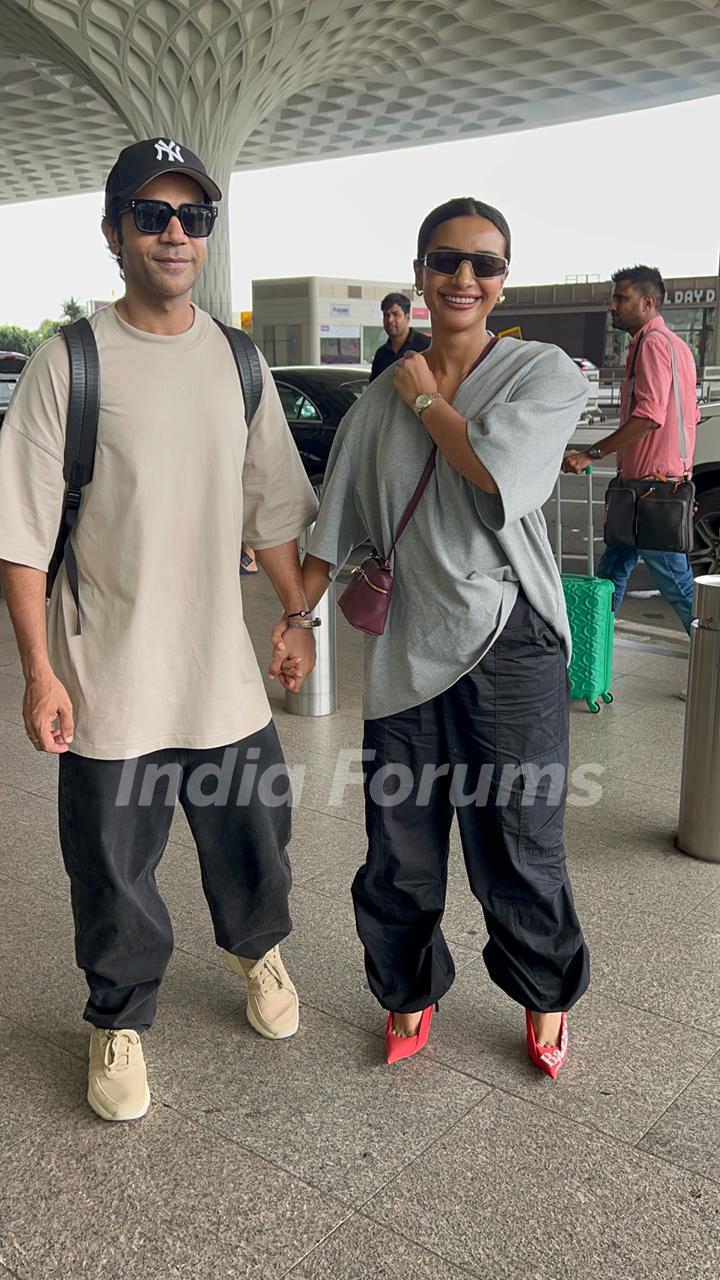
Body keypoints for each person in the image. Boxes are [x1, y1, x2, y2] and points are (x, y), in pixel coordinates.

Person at [0, 137, 319, 1122]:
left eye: (193, 217)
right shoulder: (71, 363)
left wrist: (299, 614)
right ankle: (120, 1012)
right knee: (112, 866)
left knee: (256, 837)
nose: (175, 234)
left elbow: (271, 506)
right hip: (111, 681)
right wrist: (39, 671)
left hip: (219, 671)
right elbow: (20, 530)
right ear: (114, 233)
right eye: (152, 215)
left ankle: (256, 951)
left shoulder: (237, 357)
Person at [272, 197, 590, 1077]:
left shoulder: (542, 372)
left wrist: (425, 399)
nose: (463, 278)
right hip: (410, 650)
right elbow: (331, 533)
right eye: (445, 261)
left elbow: (496, 477)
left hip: (512, 642)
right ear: (418, 274)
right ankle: (408, 989)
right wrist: (295, 619)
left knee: (519, 843)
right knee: (399, 846)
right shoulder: (375, 402)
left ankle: (545, 993)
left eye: (483, 264)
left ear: (502, 282)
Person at [563, 265, 699, 635]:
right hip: (643, 490)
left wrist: (591, 453)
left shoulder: (653, 344)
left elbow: (649, 416)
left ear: (649, 302)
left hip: (654, 492)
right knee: (611, 574)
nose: (612, 306)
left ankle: (713, 667)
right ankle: (591, 659)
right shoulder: (675, 346)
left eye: (622, 298)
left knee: (679, 587)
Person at [369, 291, 430, 382]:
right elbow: (373, 389)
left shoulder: (426, 346)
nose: (390, 320)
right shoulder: (381, 354)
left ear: (407, 317)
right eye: (386, 315)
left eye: (395, 314)